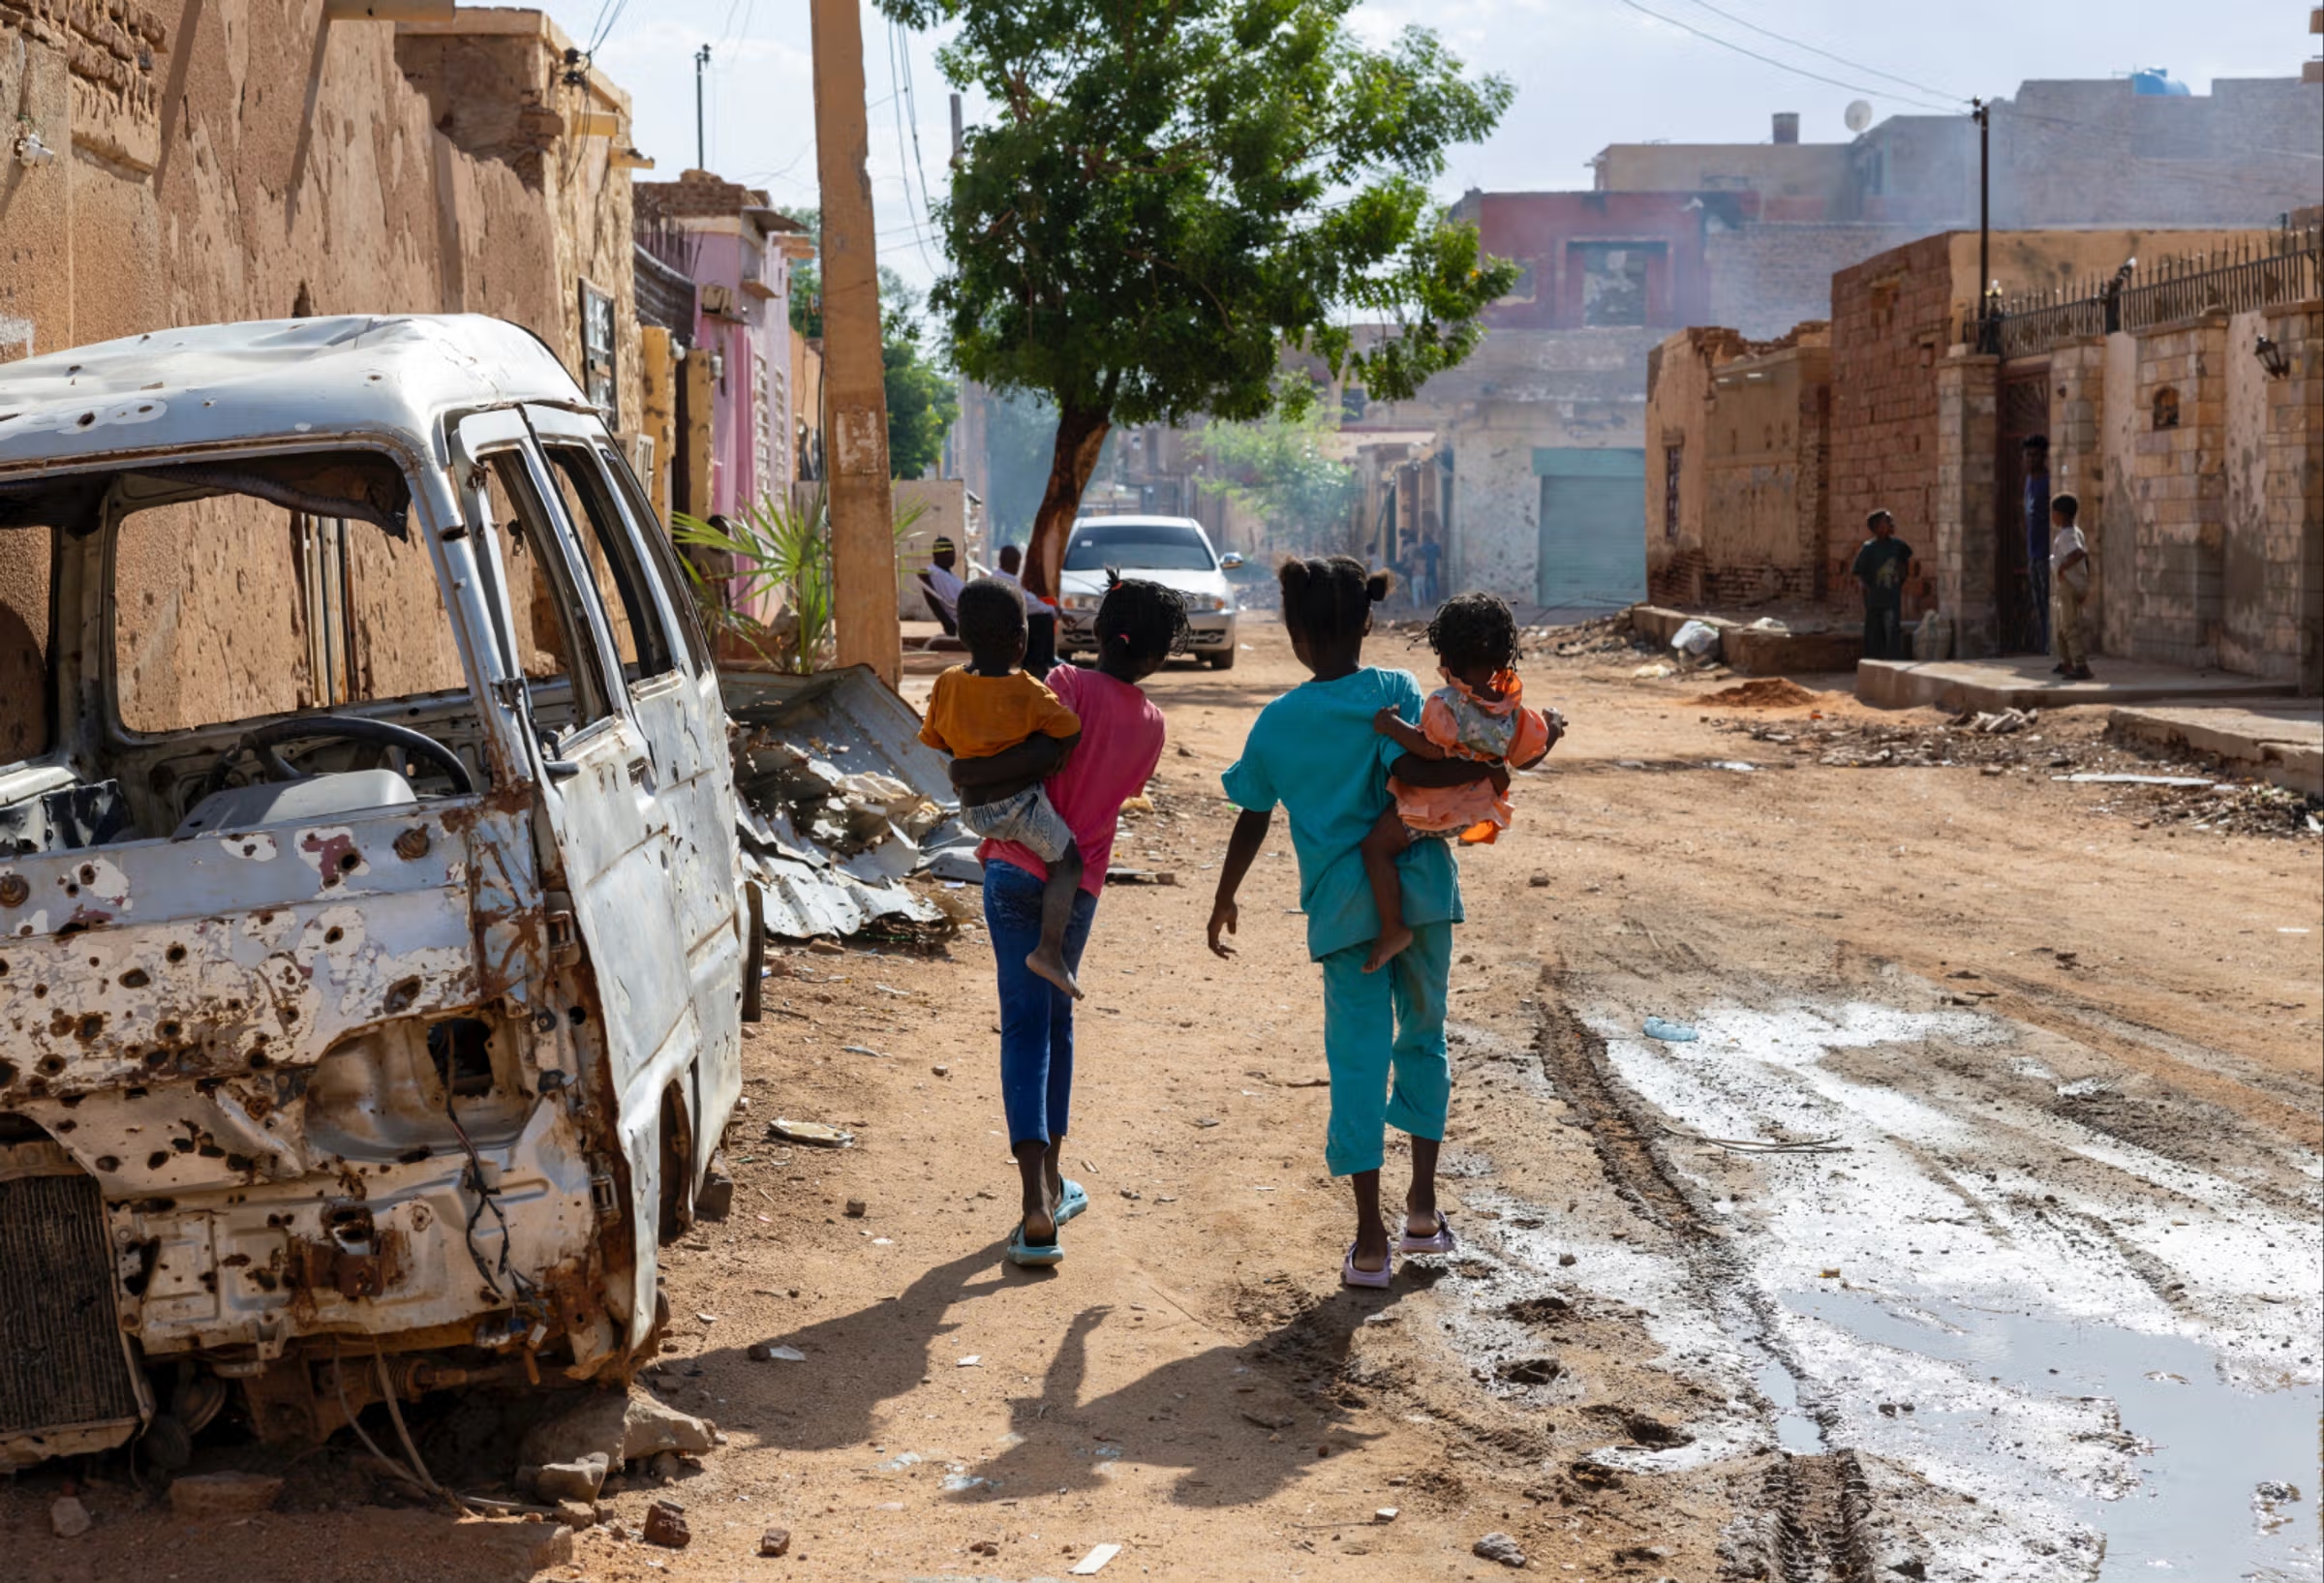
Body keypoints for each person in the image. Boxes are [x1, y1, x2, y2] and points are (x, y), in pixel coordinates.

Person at [1207, 556, 1510, 1290]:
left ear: (1295, 633)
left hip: (1344, 911)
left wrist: (1224, 895)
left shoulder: (1277, 724)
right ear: (1367, 622)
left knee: (1356, 1061)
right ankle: (1424, 1211)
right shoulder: (1395, 691)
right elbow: (1425, 769)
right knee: (1424, 1038)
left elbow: (1254, 812)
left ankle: (1369, 1242)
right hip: (1426, 892)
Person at [949, 578, 1184, 1267]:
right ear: (1160, 655)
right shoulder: (1152, 724)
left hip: (1010, 870)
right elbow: (1118, 790)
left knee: (1021, 1026)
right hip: (1077, 886)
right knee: (1057, 1023)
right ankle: (1055, 1179)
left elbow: (1007, 750)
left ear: (1099, 628)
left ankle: (1033, 1202)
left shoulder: (1061, 683)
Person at [1359, 592, 1561, 972]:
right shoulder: (1514, 714)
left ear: (1446, 656)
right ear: (1504, 656)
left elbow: (1430, 751)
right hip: (1476, 811)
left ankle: (1392, 928)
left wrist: (1391, 725)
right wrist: (1552, 729)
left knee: (1375, 848)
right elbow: (1528, 759)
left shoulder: (1444, 704)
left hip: (1432, 809)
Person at [919, 579, 1088, 999]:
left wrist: (972, 750)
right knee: (1067, 865)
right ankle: (1049, 951)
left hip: (971, 811)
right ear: (1022, 639)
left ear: (961, 634)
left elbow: (935, 739)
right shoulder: (1029, 691)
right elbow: (1071, 729)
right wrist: (1052, 755)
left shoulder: (947, 682)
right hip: (1015, 807)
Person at [1851, 510, 1912, 661]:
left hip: (1891, 598)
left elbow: (1905, 565)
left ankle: (1892, 662)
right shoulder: (1869, 549)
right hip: (1874, 599)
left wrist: (1899, 582)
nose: (1892, 524)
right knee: (1874, 634)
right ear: (1877, 527)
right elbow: (1860, 574)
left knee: (1892, 631)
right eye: (1887, 521)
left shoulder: (1898, 546)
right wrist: (1865, 594)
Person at [2049, 492, 2094, 682]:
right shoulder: (2074, 532)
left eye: (2054, 512)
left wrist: (2061, 568)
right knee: (2060, 626)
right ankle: (2065, 661)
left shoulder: (2068, 535)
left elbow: (2078, 553)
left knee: (2069, 626)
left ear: (2061, 514)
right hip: (2071, 585)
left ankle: (2081, 665)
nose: (2052, 516)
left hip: (2069, 585)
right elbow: (2086, 559)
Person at [2022, 436, 2052, 655]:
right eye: (2028, 455)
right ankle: (2043, 645)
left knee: (2050, 604)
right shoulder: (2029, 482)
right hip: (2033, 553)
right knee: (2038, 604)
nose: (2030, 460)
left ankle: (2051, 646)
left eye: (2035, 455)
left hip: (2046, 554)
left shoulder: (2047, 483)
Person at [918, 535, 965, 635]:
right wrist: (947, 623)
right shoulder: (935, 573)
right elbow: (936, 603)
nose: (953, 555)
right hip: (964, 617)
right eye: (948, 552)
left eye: (953, 552)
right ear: (937, 554)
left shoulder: (946, 574)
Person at [1415, 537, 1442, 607]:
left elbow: (1420, 555)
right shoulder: (1435, 547)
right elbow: (1440, 555)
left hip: (1426, 568)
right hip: (1433, 567)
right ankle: (1435, 601)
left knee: (1426, 586)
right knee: (1434, 585)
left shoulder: (1424, 547)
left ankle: (1427, 601)